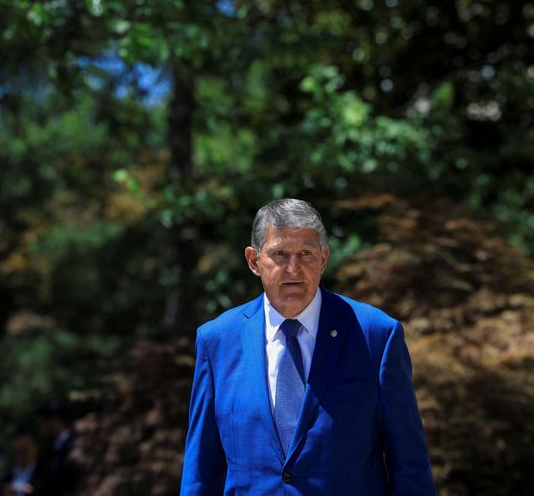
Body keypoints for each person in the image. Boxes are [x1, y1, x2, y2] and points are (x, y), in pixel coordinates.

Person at [180, 198, 436, 495]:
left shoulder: (375, 335)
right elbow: (201, 470)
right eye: (279, 254)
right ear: (253, 261)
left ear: (324, 258)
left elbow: (410, 465)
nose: (293, 268)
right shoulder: (217, 340)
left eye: (305, 254)